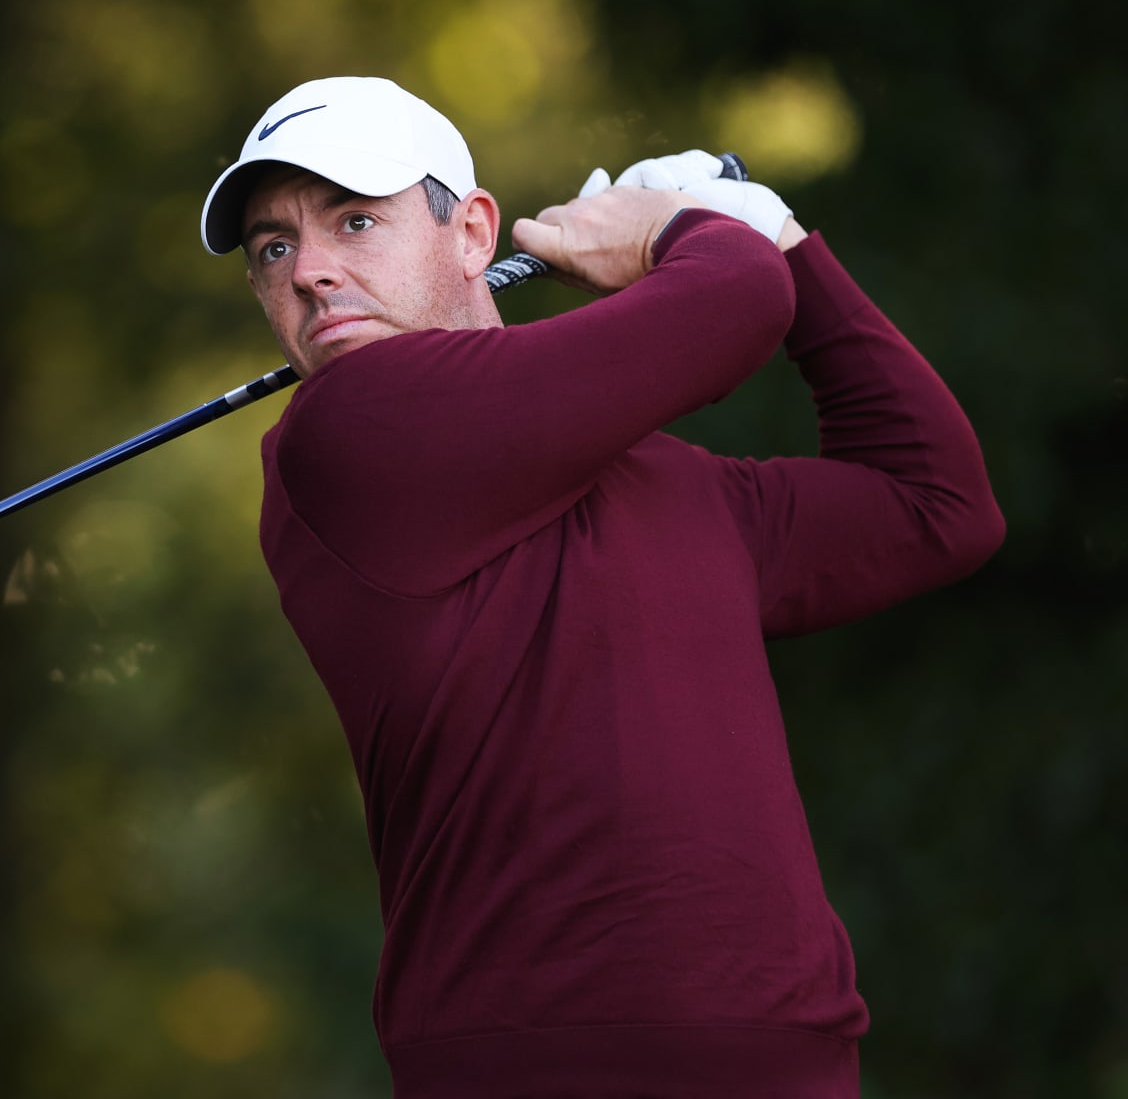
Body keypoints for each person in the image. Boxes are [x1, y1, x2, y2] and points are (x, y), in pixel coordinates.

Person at [198, 76, 1005, 1098]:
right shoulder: (343, 441)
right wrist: (695, 228)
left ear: (473, 232)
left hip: (787, 1058)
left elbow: (937, 503)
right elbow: (734, 299)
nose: (311, 271)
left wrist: (788, 242)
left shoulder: (678, 484)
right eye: (274, 248)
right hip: (528, 1064)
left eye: (355, 221)